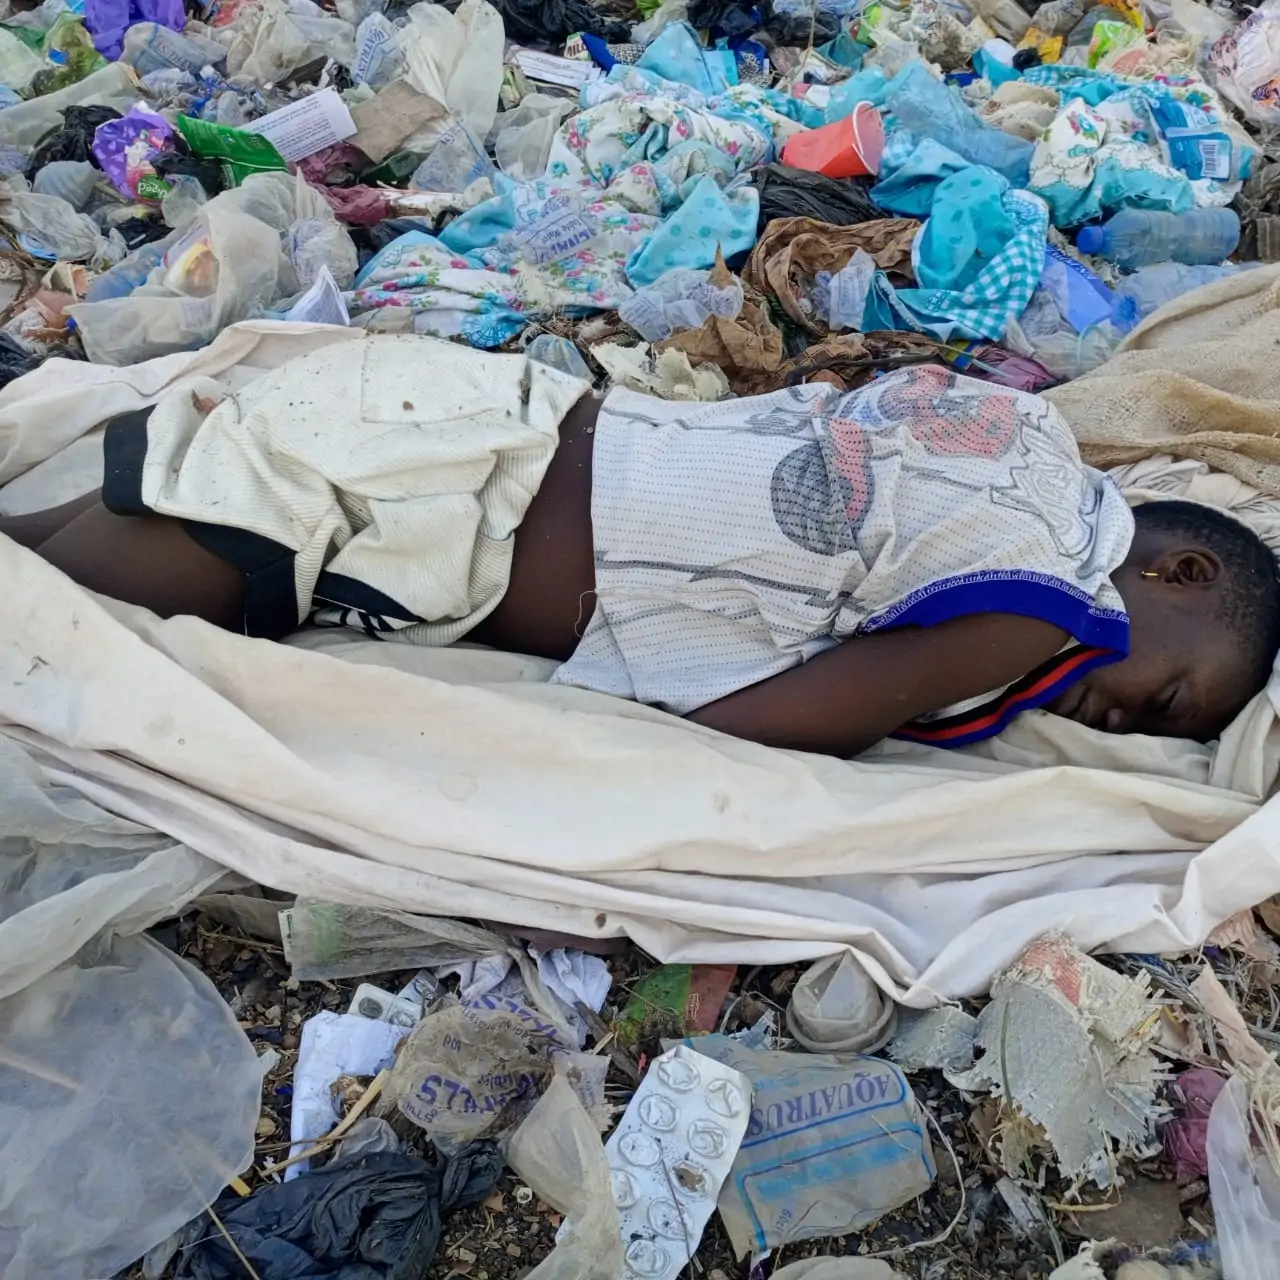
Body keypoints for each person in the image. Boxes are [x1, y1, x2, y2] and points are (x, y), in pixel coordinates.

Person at [3, 336, 1278, 758]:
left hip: (459, 410)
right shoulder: (1046, 603)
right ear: (1178, 571)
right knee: (56, 610)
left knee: (43, 565)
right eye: (1163, 700)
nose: (1119, 722)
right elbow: (780, 727)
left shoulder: (1019, 440)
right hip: (423, 496)